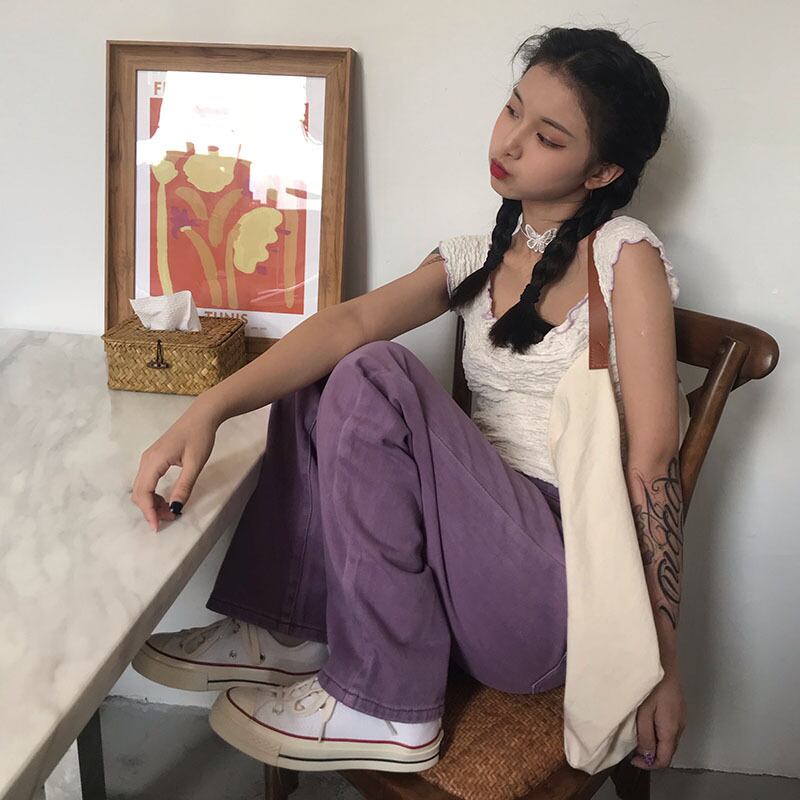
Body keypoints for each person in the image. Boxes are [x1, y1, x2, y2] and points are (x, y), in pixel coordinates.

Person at [130, 25, 686, 775]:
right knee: (323, 367)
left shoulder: (626, 256)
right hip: (458, 578)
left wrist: (661, 662)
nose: (510, 142)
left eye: (548, 137)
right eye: (513, 109)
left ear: (603, 170)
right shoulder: (474, 257)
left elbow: (654, 463)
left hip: (551, 597)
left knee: (374, 371)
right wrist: (206, 409)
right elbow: (345, 323)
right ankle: (288, 629)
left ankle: (389, 705)